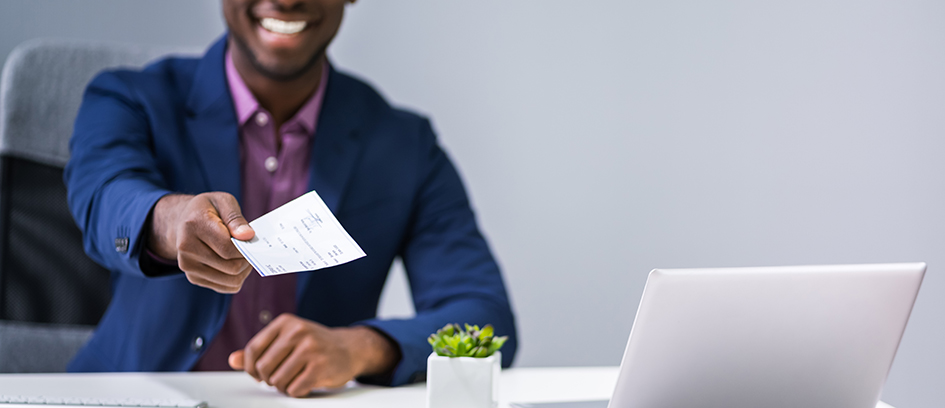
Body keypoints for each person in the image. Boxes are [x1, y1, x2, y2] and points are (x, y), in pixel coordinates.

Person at [63, 0, 517, 397]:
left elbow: (485, 316)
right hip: (133, 395)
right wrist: (171, 220)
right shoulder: (126, 98)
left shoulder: (405, 144)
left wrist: (363, 347)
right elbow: (104, 197)